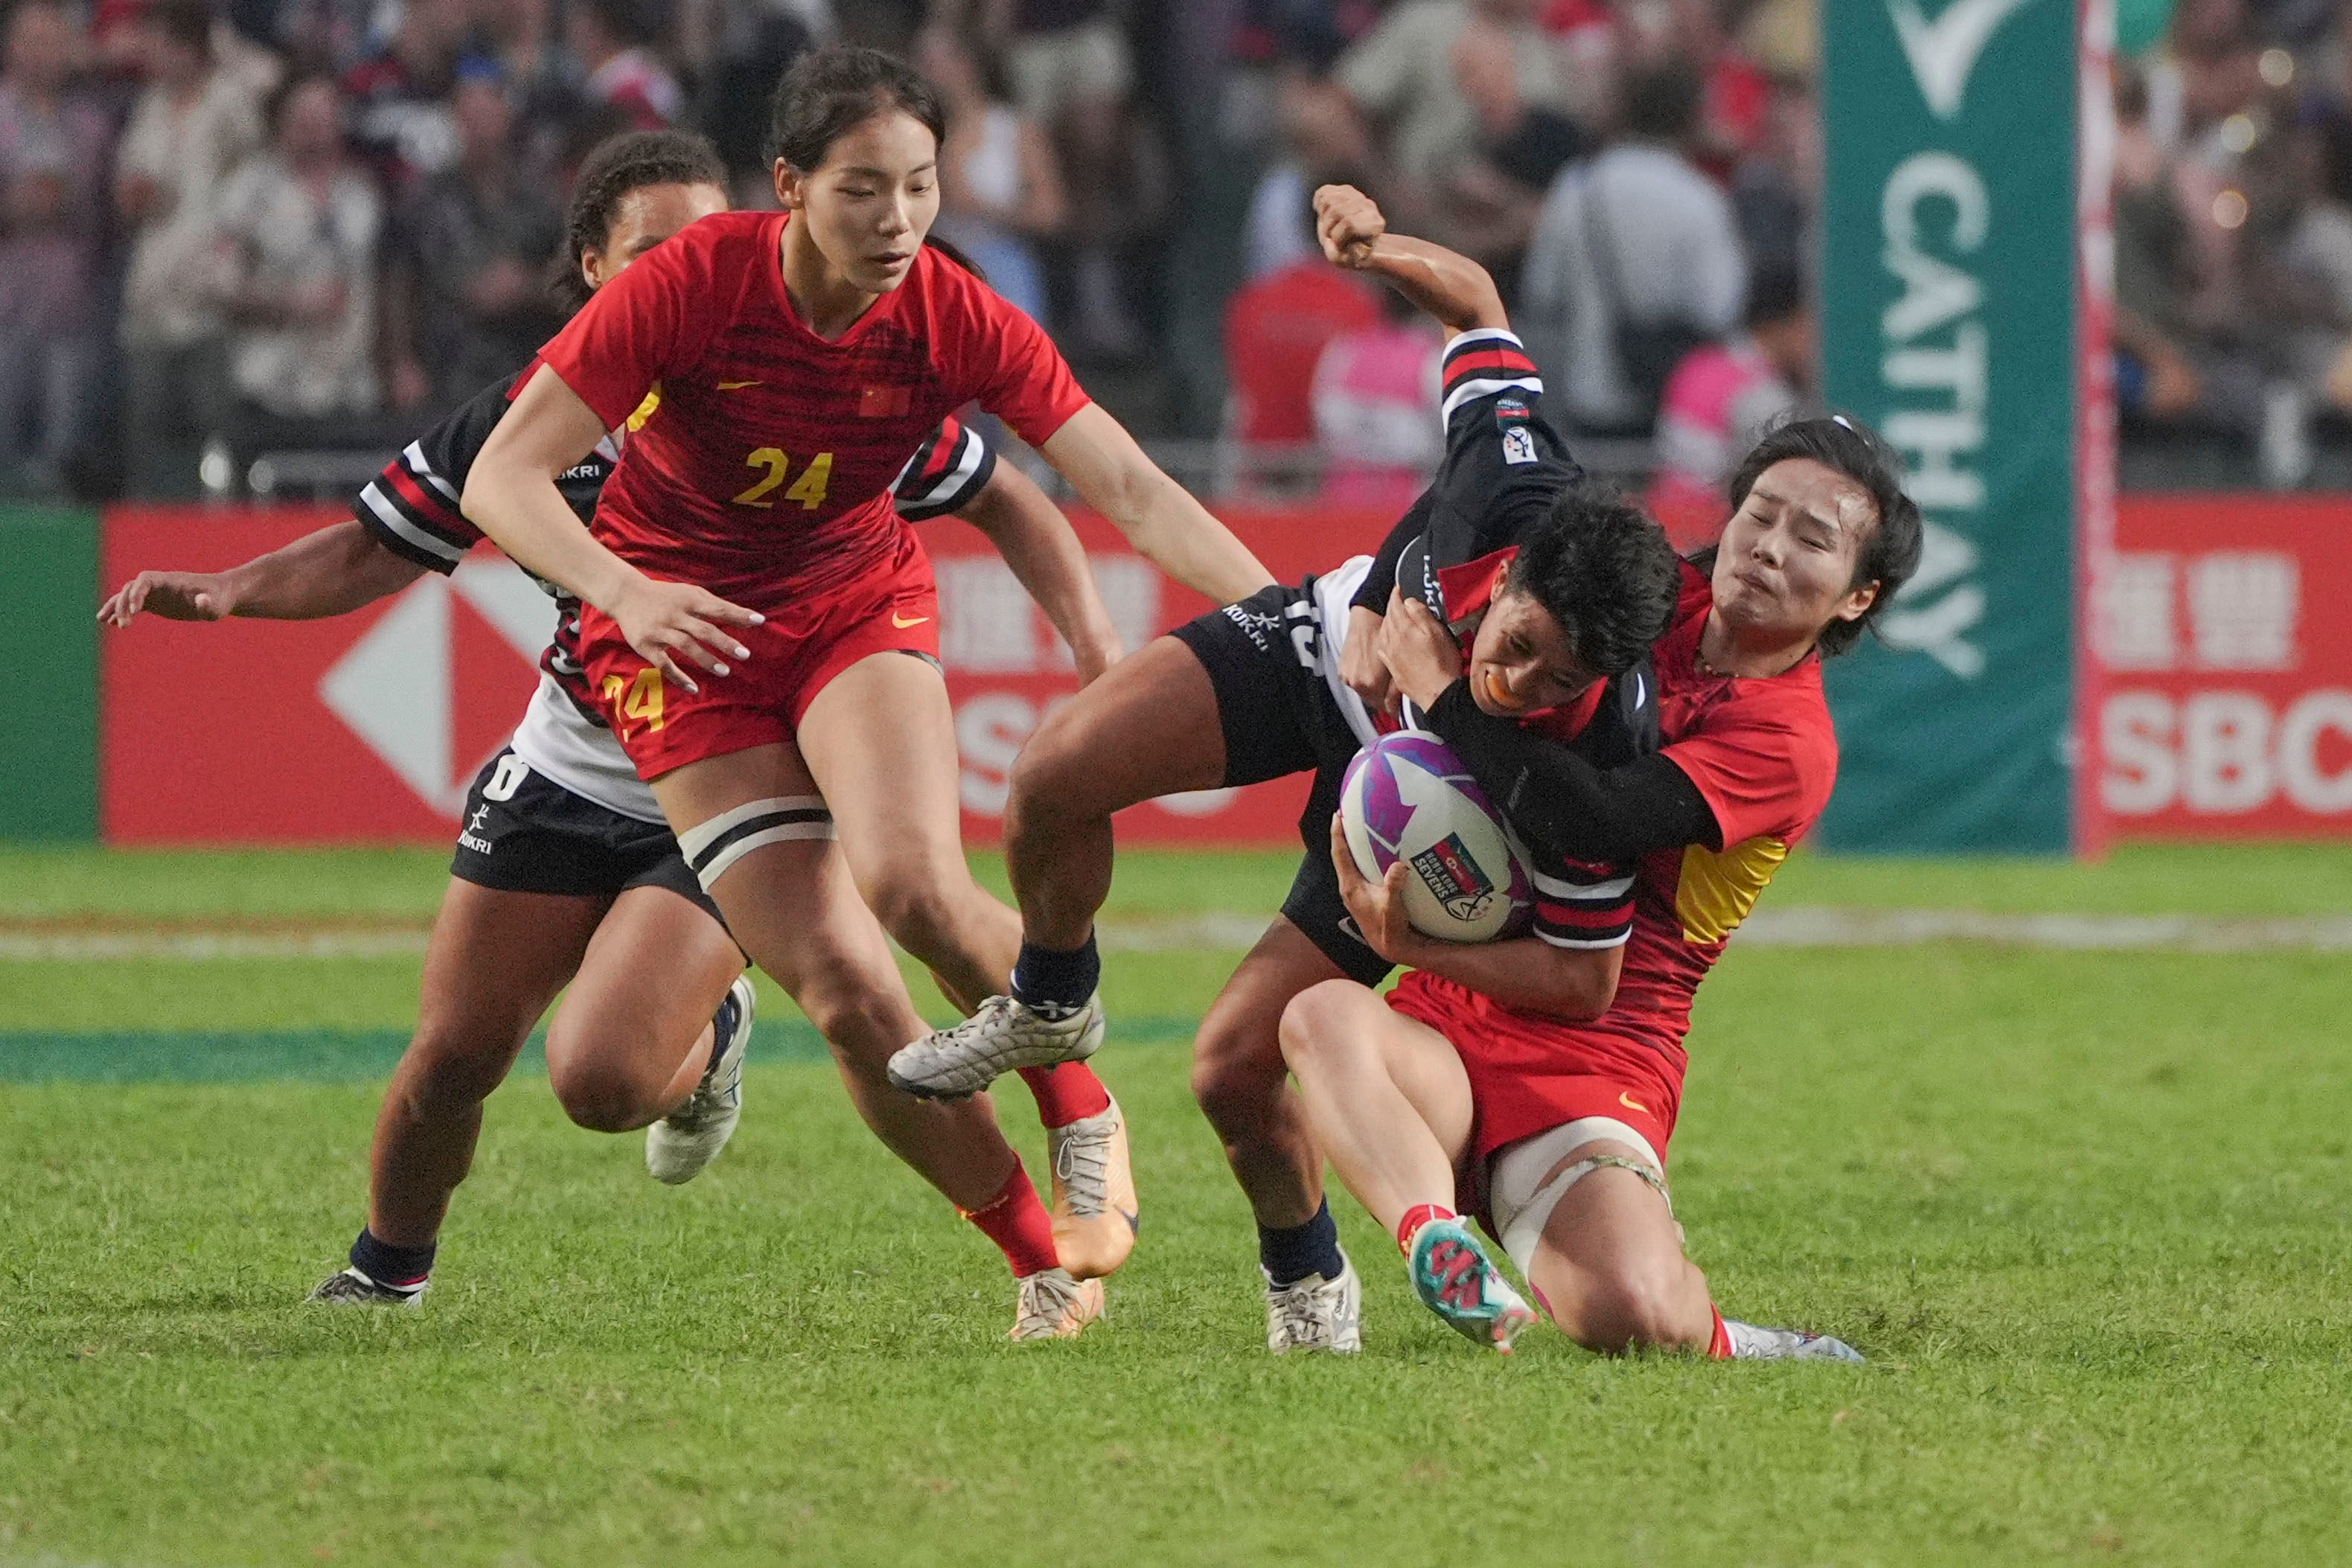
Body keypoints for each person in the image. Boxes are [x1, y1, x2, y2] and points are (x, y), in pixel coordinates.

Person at [98, 129, 1125, 1317]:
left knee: (859, 997)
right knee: (483, 1058)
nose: (692, 264)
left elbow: (1004, 492)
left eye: (709, 237)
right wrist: (232, 590)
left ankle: (1046, 1254)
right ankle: (387, 1274)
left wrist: (1092, 644)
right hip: (579, 760)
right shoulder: (537, 416)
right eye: (653, 249)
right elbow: (378, 544)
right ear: (592, 267)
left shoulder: (819, 373)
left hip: (740, 776)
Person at [458, 49, 1272, 1339]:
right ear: (787, 186)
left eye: (920, 187)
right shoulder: (690, 285)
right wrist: (624, 589)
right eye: (859, 192)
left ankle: (1083, 1109)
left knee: (915, 886)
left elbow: (1130, 489)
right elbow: (500, 480)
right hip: (682, 650)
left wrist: (1293, 625)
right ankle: (1039, 1263)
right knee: (844, 992)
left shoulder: (953, 311)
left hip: (848, 599)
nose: (896, 222)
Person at [889, 184, 1686, 1354]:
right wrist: (1375, 250)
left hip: (1411, 835)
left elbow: (1586, 980)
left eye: (1555, 683)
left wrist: (1414, 914)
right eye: (1516, 644)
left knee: (1225, 1068)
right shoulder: (1513, 471)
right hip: (1318, 651)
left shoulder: (1607, 756)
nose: (1523, 681)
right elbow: (1473, 297)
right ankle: (1052, 1002)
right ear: (1513, 571)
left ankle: (1307, 1278)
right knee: (1056, 768)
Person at [1279, 413, 1921, 1357]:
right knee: (1319, 1017)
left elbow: (1589, 819)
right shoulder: (1649, 588)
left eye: (1810, 539)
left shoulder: (1790, 741)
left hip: (1602, 1040)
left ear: (1858, 597)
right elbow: (1475, 490)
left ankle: (1742, 1336)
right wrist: (1380, 598)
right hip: (1462, 1002)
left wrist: (1445, 699)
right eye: (1759, 513)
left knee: (1634, 1318)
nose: (1768, 548)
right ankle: (1437, 1242)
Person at [115, 0, 262, 498]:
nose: (150, 55)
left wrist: (222, 46)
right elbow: (130, 186)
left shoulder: (230, 100)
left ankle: (217, 540)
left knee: (216, 432)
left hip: (209, 296)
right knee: (147, 435)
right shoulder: (150, 106)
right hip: (152, 297)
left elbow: (271, 88)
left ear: (189, 49)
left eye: (159, 43)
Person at [210, 72, 384, 435]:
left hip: (350, 390)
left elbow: (382, 283)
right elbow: (216, 286)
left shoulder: (362, 195)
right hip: (269, 387)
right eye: (303, 113)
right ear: (281, 120)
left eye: (324, 113)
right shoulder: (249, 191)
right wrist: (291, 302)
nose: (315, 124)